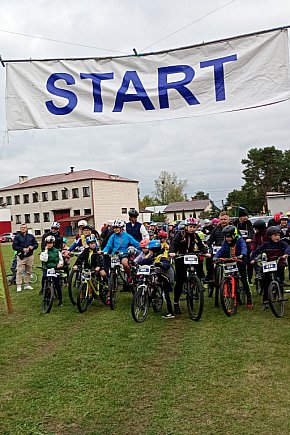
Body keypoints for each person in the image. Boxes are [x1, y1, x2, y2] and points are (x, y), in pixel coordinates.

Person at [169, 217, 209, 314]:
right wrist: (172, 252)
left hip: (191, 256)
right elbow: (173, 244)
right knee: (180, 280)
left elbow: (201, 245)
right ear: (186, 227)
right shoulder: (180, 234)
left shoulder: (195, 236)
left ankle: (196, 283)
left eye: (194, 227)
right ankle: (176, 302)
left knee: (199, 268)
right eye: (190, 227)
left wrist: (205, 252)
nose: (192, 229)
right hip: (180, 256)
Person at [214, 225, 253, 309]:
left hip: (240, 262)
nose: (227, 239)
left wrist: (243, 254)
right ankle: (230, 290)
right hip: (230, 262)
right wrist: (216, 256)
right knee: (228, 276)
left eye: (229, 237)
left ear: (234, 235)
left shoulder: (240, 240)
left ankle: (249, 299)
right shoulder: (225, 242)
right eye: (226, 237)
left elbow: (244, 247)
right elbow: (222, 250)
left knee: (244, 279)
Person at [250, 226, 290, 308]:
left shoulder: (282, 244)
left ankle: (281, 294)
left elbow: (288, 247)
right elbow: (256, 251)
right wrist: (253, 258)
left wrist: (286, 254)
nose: (277, 237)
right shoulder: (266, 245)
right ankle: (265, 301)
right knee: (266, 282)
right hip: (269, 264)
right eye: (275, 235)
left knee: (280, 277)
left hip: (279, 263)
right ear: (269, 236)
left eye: (278, 235)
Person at [139, 240, 175, 319]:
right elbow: (147, 260)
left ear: (154, 250)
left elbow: (167, 265)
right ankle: (152, 299)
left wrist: (161, 264)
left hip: (167, 277)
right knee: (152, 283)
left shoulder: (162, 256)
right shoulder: (154, 256)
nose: (149, 252)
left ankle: (171, 313)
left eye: (150, 250)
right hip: (160, 275)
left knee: (165, 294)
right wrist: (138, 262)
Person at [73, 234, 107, 303]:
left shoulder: (97, 251)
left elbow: (99, 259)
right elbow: (80, 258)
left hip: (97, 267)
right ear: (88, 244)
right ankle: (89, 295)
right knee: (88, 281)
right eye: (91, 243)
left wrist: (98, 266)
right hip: (88, 268)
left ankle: (105, 285)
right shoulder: (85, 251)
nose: (93, 245)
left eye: (94, 243)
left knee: (103, 274)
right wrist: (76, 265)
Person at [12, 223, 38, 292]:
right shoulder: (17, 237)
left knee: (29, 270)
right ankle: (19, 285)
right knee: (20, 271)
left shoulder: (31, 236)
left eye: (24, 227)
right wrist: (22, 249)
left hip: (30, 256)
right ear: (20, 229)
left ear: (27, 228)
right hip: (21, 256)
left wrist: (32, 247)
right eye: (22, 227)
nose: (23, 228)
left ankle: (27, 284)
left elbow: (36, 244)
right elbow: (14, 246)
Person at [40, 235, 64, 306]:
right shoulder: (44, 252)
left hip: (55, 269)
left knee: (57, 284)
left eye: (50, 243)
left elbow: (61, 260)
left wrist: (60, 264)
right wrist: (46, 251)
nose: (49, 244)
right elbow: (44, 259)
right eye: (47, 243)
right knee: (44, 279)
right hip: (47, 268)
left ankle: (60, 300)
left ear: (53, 243)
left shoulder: (57, 251)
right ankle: (45, 294)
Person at [232, 208, 254, 283]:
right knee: (239, 262)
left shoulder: (248, 223)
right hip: (238, 244)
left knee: (249, 262)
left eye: (246, 216)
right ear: (240, 217)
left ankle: (250, 279)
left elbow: (251, 231)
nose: (246, 218)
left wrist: (250, 238)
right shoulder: (235, 223)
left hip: (247, 244)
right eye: (244, 216)